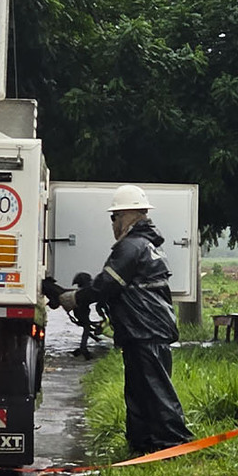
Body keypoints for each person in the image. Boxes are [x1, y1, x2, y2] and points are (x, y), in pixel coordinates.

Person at [61, 185, 193, 455]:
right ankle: (142, 445)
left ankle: (175, 444)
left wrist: (75, 298)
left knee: (155, 390)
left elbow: (107, 285)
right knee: (139, 391)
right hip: (144, 329)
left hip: (144, 329)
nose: (113, 224)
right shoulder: (147, 245)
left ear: (126, 216)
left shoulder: (131, 246)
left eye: (114, 217)